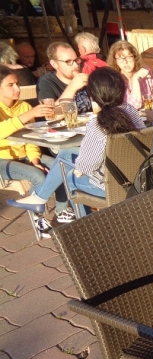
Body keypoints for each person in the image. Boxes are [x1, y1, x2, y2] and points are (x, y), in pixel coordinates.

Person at [8, 67, 145, 218]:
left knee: (69, 176)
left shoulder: (98, 124)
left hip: (114, 184)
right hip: (138, 175)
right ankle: (39, 197)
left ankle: (85, 224)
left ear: (92, 95)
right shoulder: (131, 111)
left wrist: (79, 168)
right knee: (66, 153)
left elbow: (87, 166)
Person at [0, 65, 66, 237]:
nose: (17, 88)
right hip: (3, 160)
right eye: (10, 85)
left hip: (24, 155)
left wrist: (35, 160)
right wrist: (27, 116)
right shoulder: (22, 111)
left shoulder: (23, 106)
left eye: (17, 83)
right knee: (37, 175)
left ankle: (62, 211)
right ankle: (39, 219)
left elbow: (31, 139)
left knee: (61, 165)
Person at [37, 42, 92, 113]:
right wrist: (72, 88)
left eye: (76, 60)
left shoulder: (83, 76)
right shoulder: (46, 82)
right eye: (68, 61)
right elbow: (51, 114)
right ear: (54, 64)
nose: (76, 65)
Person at [107, 41, 153, 110]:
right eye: (120, 59)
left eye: (128, 57)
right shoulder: (116, 79)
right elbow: (133, 107)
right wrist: (135, 79)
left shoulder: (144, 70)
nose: (125, 62)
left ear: (135, 57)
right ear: (115, 61)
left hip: (149, 112)